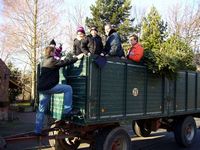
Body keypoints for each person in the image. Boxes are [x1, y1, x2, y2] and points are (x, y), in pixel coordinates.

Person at [35, 46, 84, 135]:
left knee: (41, 110)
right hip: (49, 87)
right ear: (50, 53)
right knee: (68, 88)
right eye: (54, 52)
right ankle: (67, 110)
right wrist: (77, 57)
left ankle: (37, 130)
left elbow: (59, 62)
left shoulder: (44, 61)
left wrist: (61, 58)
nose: (54, 54)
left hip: (42, 88)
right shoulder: (52, 61)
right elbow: (65, 63)